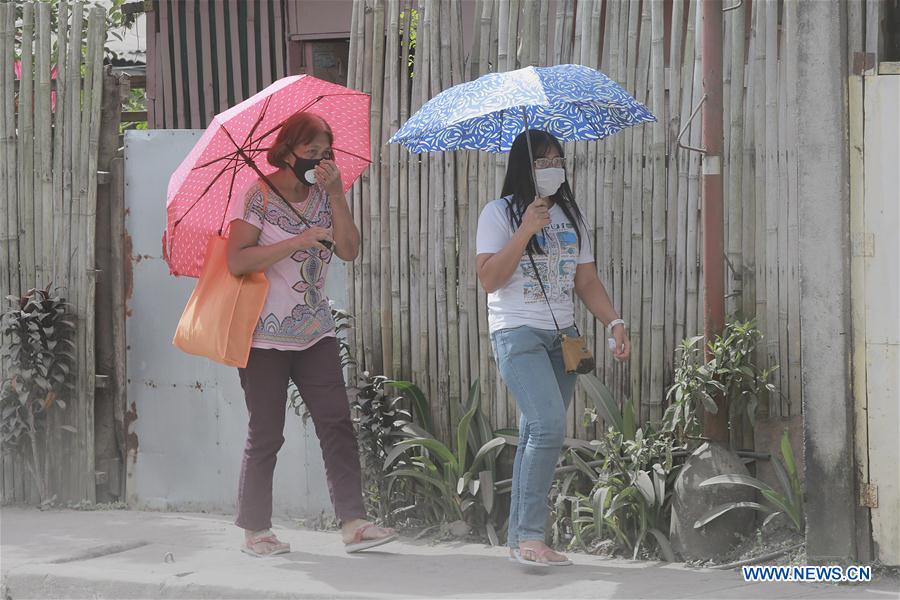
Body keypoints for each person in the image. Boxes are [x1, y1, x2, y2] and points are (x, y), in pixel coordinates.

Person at [226, 111, 396, 557]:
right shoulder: (257, 197)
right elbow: (238, 261)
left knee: (337, 423)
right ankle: (256, 530)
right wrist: (296, 242)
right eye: (310, 152)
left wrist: (337, 194)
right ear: (287, 151)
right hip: (263, 336)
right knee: (266, 432)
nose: (318, 160)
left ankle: (354, 522)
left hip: (315, 331)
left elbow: (350, 250)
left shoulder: (325, 196)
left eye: (325, 153)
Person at [475, 129, 632, 567]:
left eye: (557, 160)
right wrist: (525, 229)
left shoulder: (571, 216)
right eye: (542, 162)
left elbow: (585, 280)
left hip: (562, 337)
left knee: (534, 432)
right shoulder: (498, 213)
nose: (552, 169)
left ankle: (520, 540)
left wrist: (614, 322)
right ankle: (529, 536)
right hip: (517, 333)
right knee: (546, 426)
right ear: (523, 167)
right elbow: (489, 279)